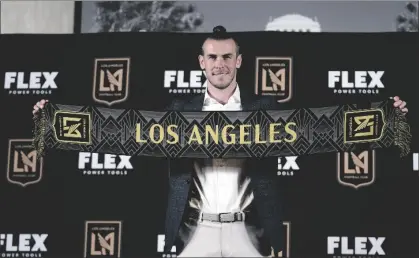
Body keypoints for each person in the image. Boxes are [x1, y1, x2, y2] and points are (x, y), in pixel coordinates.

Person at [32, 26, 409, 257]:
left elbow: (321, 130)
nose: (220, 64)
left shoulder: (266, 109)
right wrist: (51, 119)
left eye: (227, 57)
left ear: (239, 61)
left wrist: (387, 117)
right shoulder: (179, 110)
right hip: (194, 229)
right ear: (201, 62)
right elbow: (123, 131)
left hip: (251, 229)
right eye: (212, 57)